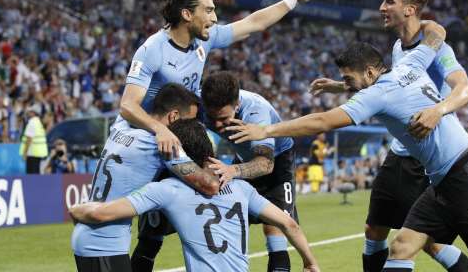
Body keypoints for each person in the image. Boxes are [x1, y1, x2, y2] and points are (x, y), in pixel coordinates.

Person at [226, 30, 468, 271]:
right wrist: (341, 85)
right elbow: (436, 33)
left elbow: (323, 120)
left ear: (369, 73)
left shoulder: (376, 94)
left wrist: (266, 129)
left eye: (349, 78)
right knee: (401, 247)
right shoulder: (409, 64)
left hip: (464, 173)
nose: (347, 85)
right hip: (441, 181)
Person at [120, 0, 330, 271]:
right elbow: (128, 105)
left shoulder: (205, 40)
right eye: (209, 10)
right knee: (149, 230)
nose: (215, 17)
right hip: (152, 142)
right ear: (187, 14)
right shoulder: (153, 50)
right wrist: (160, 130)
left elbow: (254, 22)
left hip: (181, 143)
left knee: (266, 224)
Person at [309, 0, 468, 272]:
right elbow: (385, 86)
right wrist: (340, 86)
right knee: (374, 229)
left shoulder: (439, 49)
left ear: (409, 10)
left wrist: (438, 110)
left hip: (424, 155)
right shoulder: (399, 47)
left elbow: (465, 90)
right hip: (399, 153)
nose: (381, 7)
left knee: (429, 242)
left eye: (389, 2)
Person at [69, 119, 320, 272]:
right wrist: (309, 262)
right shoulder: (242, 188)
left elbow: (101, 213)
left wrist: (77, 210)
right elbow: (289, 223)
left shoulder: (168, 190)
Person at [71, 84, 219, 272]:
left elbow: (128, 107)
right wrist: (206, 154)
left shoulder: (121, 125)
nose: (191, 128)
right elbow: (210, 185)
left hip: (89, 236)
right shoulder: (164, 146)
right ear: (173, 116)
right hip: (104, 244)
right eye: (188, 121)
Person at [200, 71, 298, 271]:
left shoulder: (256, 111)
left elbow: (265, 164)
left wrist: (232, 170)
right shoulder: (200, 100)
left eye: (224, 119)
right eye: (212, 118)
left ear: (237, 106)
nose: (218, 126)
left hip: (277, 161)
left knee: (275, 224)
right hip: (242, 158)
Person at [19, 104, 48, 174]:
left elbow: (29, 139)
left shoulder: (32, 122)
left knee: (31, 174)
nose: (28, 113)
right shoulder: (39, 122)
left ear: (33, 113)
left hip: (32, 153)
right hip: (38, 153)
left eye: (30, 111)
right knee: (36, 173)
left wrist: (24, 153)